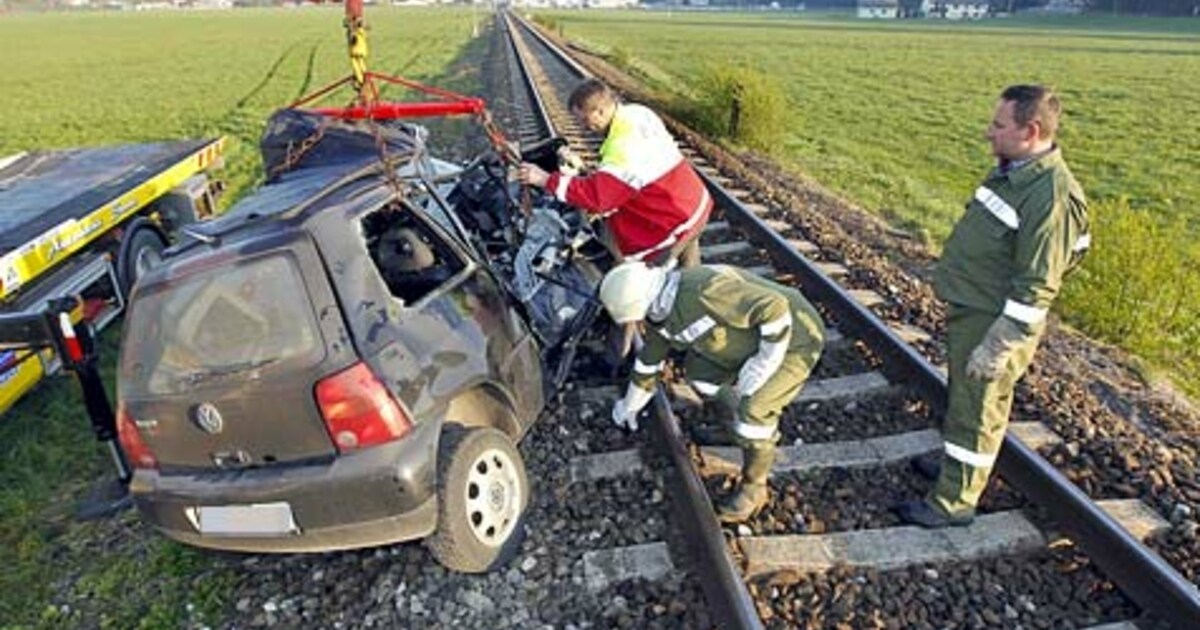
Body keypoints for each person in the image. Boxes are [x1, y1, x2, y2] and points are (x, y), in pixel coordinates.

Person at [895, 84, 1090, 529]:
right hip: (974, 309)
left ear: (1031, 130)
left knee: (978, 409)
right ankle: (954, 466)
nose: (989, 133)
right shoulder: (1015, 172)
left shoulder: (1051, 196)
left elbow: (1039, 284)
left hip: (993, 323)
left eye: (999, 126)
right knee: (964, 399)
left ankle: (953, 502)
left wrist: (997, 344)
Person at [598, 261, 825, 523]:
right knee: (700, 375)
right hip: (746, 341)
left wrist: (764, 363)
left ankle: (754, 487)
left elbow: (773, 307)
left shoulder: (703, 291)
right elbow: (649, 361)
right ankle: (731, 424)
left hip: (793, 340)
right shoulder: (661, 311)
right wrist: (630, 404)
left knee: (754, 414)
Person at [516, 79, 712, 268]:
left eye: (584, 119)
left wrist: (545, 179)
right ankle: (695, 286)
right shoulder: (637, 112)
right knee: (690, 262)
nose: (583, 127)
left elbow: (598, 199)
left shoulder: (621, 147)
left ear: (599, 111)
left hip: (669, 221)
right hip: (694, 204)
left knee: (641, 279)